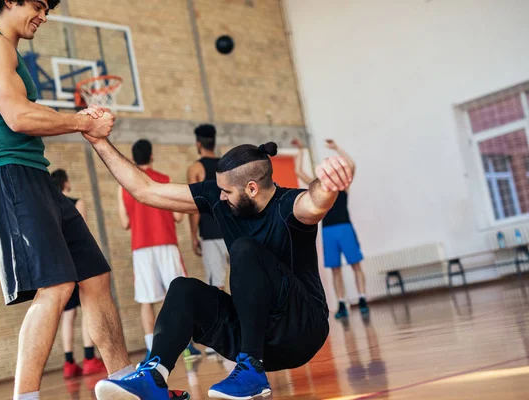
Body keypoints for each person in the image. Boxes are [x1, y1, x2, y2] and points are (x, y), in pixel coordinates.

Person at [84, 135, 353, 400]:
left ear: (251, 189)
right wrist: (98, 141)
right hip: (258, 336)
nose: (220, 197)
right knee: (183, 288)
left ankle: (250, 369)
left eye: (227, 191)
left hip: (302, 331)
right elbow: (146, 190)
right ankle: (154, 379)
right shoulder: (221, 197)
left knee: (244, 250)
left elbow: (315, 202)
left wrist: (331, 181)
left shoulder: (288, 205)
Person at [0, 1, 134, 398]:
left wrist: (81, 119)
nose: (44, 14)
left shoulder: (9, 51)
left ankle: (125, 382)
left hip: (34, 174)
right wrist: (83, 121)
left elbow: (29, 113)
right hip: (4, 174)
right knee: (56, 286)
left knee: (94, 276)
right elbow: (18, 117)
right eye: (37, 5)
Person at [117, 140, 200, 361]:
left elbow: (124, 222)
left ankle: (151, 350)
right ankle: (187, 345)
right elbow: (179, 216)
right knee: (179, 296)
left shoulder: (124, 186)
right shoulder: (163, 180)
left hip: (141, 249)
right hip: (166, 244)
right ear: (152, 156)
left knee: (146, 300)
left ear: (133, 159)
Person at [293, 138, 368, 319]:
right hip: (328, 231)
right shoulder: (318, 188)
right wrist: (301, 150)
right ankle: (342, 303)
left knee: (355, 264)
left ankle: (362, 298)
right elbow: (298, 171)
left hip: (345, 228)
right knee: (335, 269)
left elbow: (352, 165)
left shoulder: (343, 186)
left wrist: (337, 148)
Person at [50, 169, 107, 379]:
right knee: (86, 308)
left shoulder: (49, 206)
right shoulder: (76, 202)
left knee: (68, 314)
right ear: (65, 183)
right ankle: (89, 358)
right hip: (78, 261)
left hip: (59, 264)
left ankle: (68, 363)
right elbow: (81, 234)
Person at [187, 124, 229, 291]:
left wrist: (193, 236)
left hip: (211, 234)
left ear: (198, 144)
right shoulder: (228, 166)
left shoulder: (196, 168)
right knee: (244, 281)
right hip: (233, 231)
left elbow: (194, 206)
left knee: (216, 287)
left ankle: (226, 318)